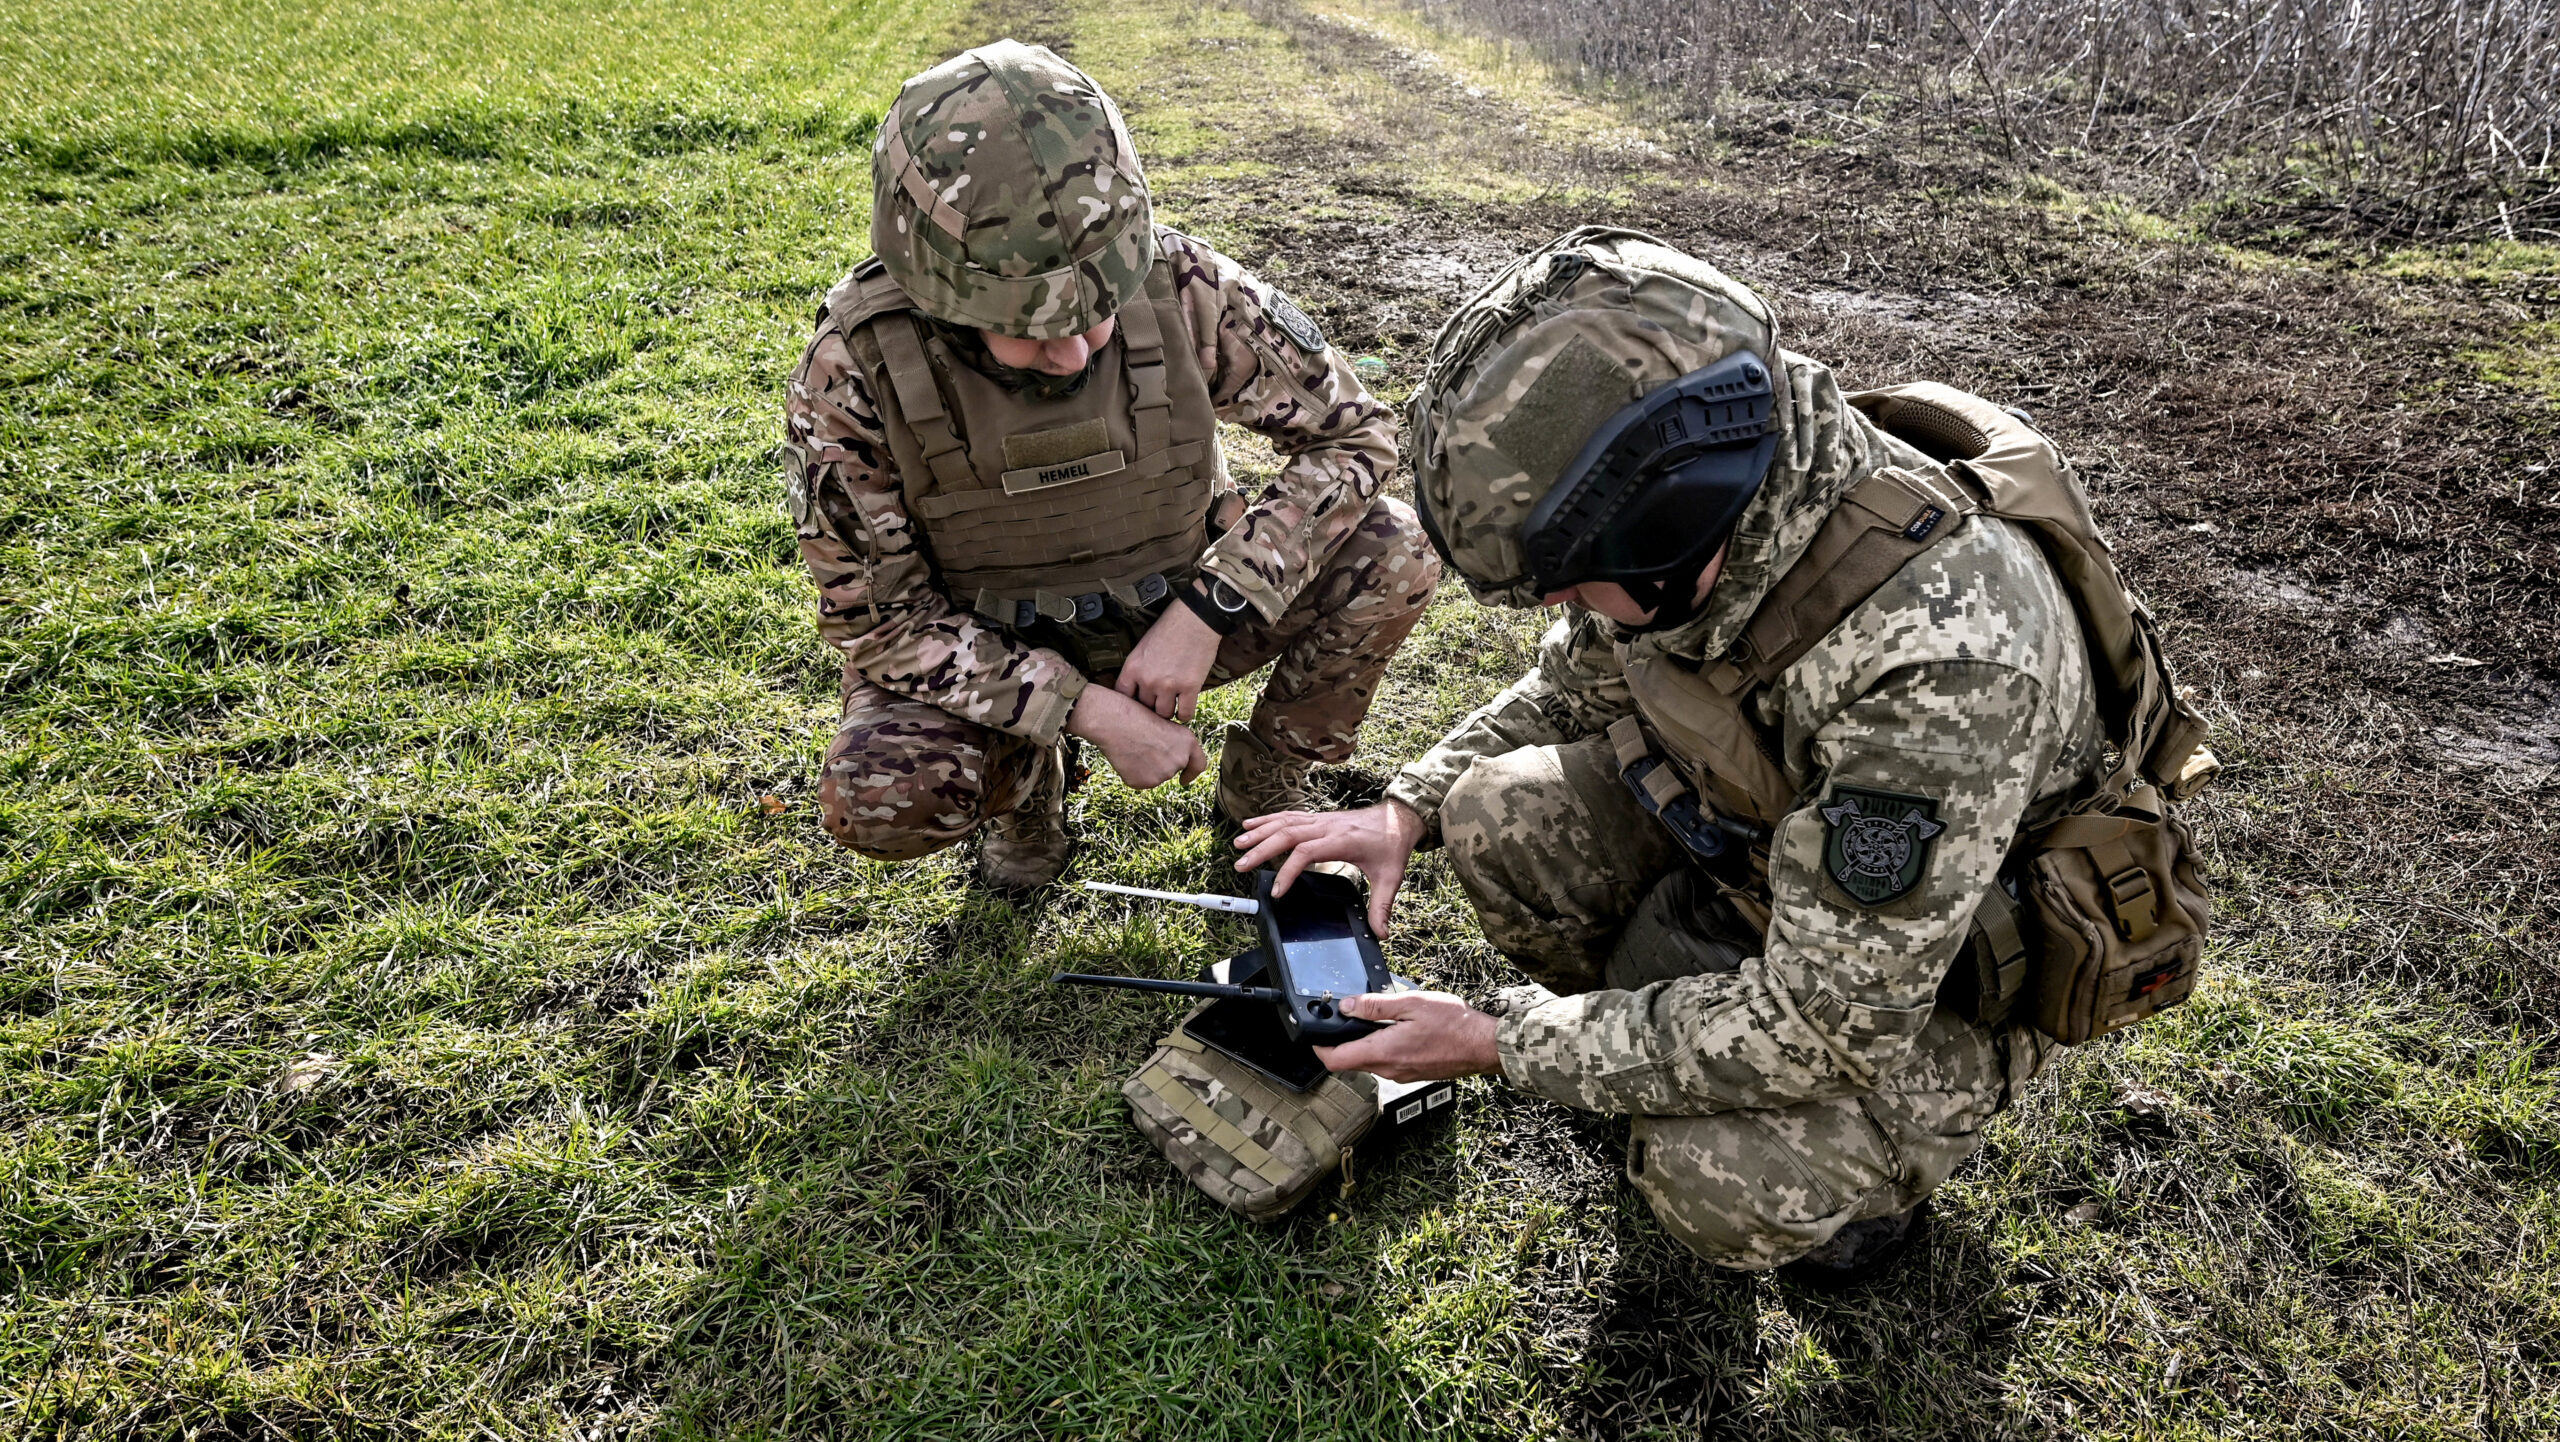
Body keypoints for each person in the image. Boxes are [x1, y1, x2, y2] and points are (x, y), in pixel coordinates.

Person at [1235, 227, 2151, 1282]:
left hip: (1927, 981)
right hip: (1776, 859)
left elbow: (1829, 1024)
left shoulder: (1941, 663)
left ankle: (1851, 1198)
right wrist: (1407, 808)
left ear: (1672, 514)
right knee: (1493, 814)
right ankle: (1655, 1048)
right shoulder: (1719, 513)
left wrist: (1501, 1040)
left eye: (1569, 576)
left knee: (1720, 1179)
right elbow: (1574, 685)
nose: (1561, 600)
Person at [784, 41, 1438, 891]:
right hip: (993, 641)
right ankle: (1025, 790)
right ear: (939, 296)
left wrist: (1209, 609)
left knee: (1395, 550)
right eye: (1029, 328)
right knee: (880, 795)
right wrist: (1079, 710)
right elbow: (884, 624)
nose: (1073, 353)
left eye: (1096, 311)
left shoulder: (1182, 284)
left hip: (1177, 602)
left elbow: (1356, 436)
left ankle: (1266, 779)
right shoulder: (856, 368)